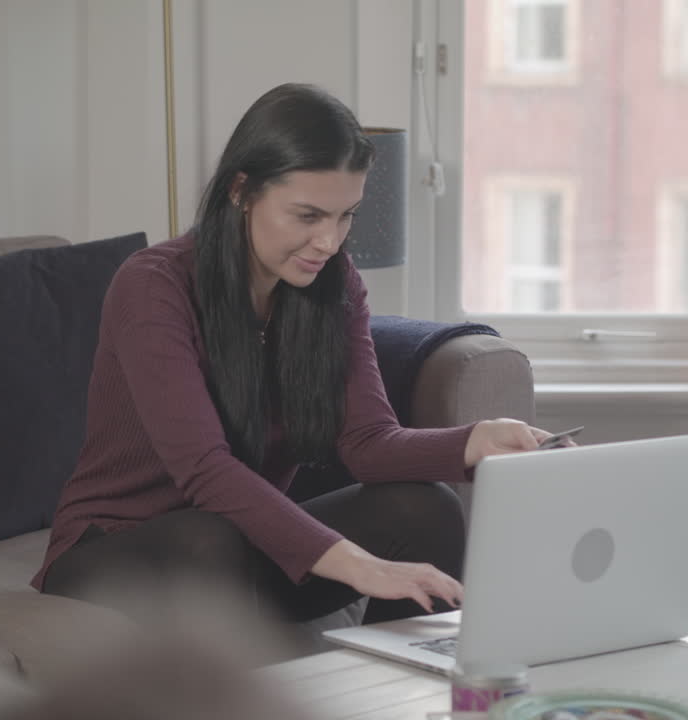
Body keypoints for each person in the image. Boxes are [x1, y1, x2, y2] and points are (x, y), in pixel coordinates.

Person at [31, 83, 566, 627]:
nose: (329, 242)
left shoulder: (335, 287)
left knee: (425, 508)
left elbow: (368, 444)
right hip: (112, 558)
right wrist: (356, 564)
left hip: (240, 547)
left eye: (345, 216)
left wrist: (480, 441)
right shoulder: (153, 285)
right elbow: (204, 471)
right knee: (207, 539)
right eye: (308, 216)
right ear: (242, 190)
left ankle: (394, 690)